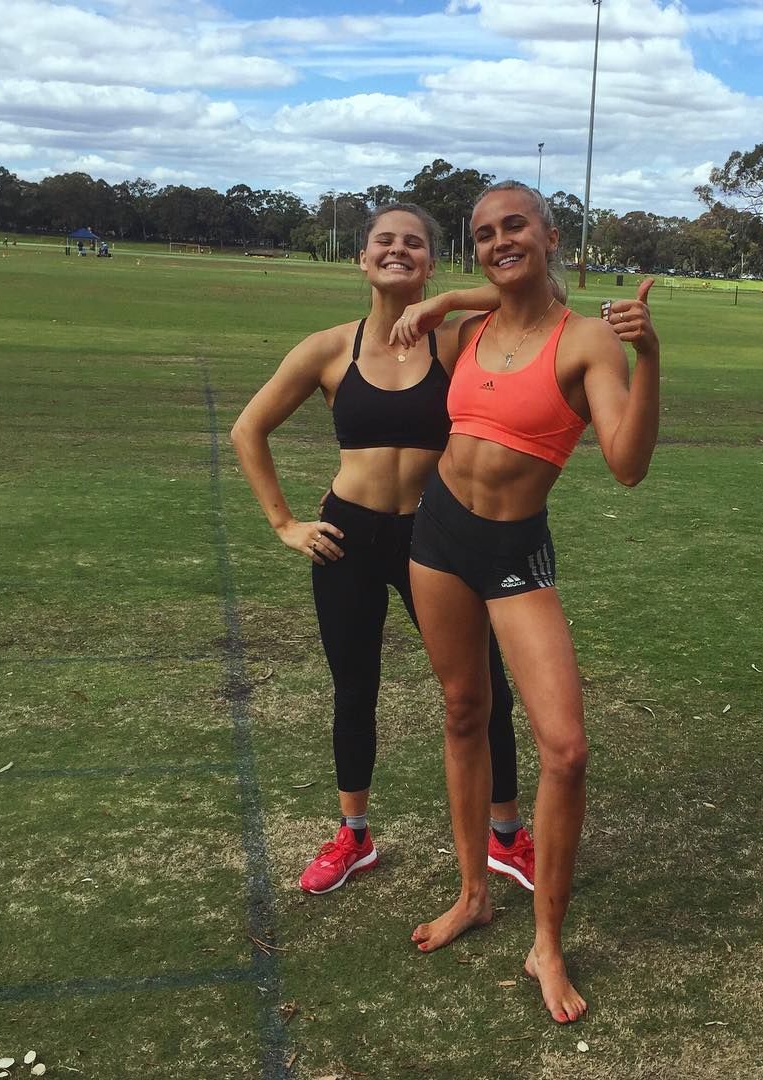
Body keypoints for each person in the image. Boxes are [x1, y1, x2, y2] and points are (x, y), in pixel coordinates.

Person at [397, 181, 659, 1024]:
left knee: (566, 750)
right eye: (484, 233)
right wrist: (444, 298)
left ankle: (547, 943)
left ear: (551, 235)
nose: (500, 241)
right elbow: (488, 295)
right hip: (437, 535)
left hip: (514, 553)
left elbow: (627, 465)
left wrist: (651, 358)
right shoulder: (466, 332)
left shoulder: (588, 341)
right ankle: (473, 893)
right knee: (462, 711)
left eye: (516, 226)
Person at [230, 202, 535, 897]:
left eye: (414, 244)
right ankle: (354, 835)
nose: (398, 250)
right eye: (384, 241)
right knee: (354, 688)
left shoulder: (456, 340)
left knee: (481, 690)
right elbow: (248, 430)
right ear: (362, 259)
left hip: (438, 538)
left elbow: (538, 292)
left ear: (431, 262)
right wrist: (285, 524)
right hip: (348, 539)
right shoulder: (328, 349)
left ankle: (507, 836)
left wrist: (447, 303)